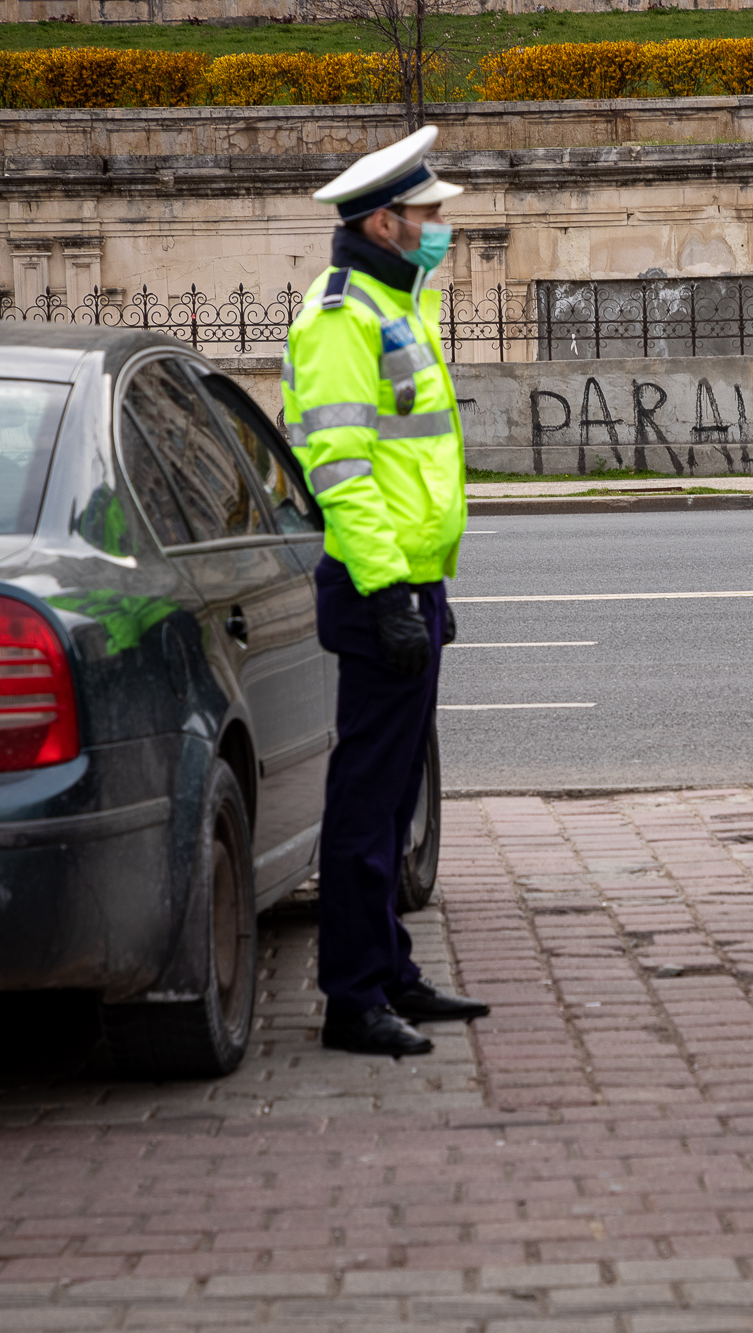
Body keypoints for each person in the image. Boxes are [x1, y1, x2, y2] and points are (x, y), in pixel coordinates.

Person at [284, 125, 490, 1057]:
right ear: (382, 222)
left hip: (414, 583)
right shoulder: (341, 317)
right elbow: (340, 468)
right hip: (380, 592)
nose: (440, 227)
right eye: (427, 214)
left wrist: (426, 583)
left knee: (398, 789)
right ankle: (353, 998)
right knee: (366, 799)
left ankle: (392, 971)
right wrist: (389, 593)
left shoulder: (394, 304)